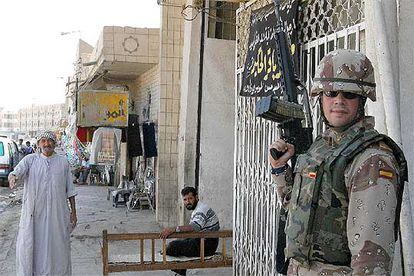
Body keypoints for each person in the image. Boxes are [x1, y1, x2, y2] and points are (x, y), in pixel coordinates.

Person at [269, 49, 407, 275]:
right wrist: (279, 169)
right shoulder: (322, 146)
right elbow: (296, 209)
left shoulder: (371, 159)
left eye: (349, 95)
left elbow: (371, 262)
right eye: (331, 93)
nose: (338, 101)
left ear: (362, 100)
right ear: (321, 97)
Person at [8, 130, 77, 276]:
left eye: (50, 140)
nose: (47, 144)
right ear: (39, 144)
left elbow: (70, 190)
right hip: (34, 215)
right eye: (43, 141)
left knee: (58, 248)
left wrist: (74, 214)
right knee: (32, 247)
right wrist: (13, 176)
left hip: (57, 215)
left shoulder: (63, 162)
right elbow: (18, 171)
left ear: (55, 143)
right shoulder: (30, 160)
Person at [160, 187, 220, 276]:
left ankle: (180, 273)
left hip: (207, 245)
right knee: (177, 244)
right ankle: (181, 272)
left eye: (190, 198)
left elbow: (195, 227)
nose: (187, 202)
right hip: (202, 241)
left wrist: (173, 229)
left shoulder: (201, 209)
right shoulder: (197, 209)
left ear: (196, 197)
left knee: (172, 247)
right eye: (185, 199)